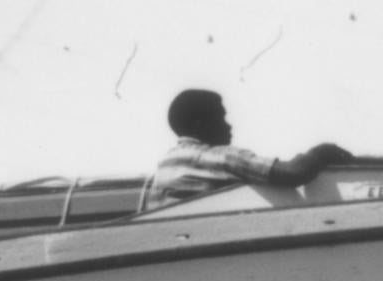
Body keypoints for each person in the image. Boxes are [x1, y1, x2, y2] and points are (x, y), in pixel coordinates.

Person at [147, 86, 352, 208]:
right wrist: (321, 152)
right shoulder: (216, 158)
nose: (229, 125)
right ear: (200, 125)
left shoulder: (165, 165)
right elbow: (293, 173)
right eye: (222, 117)